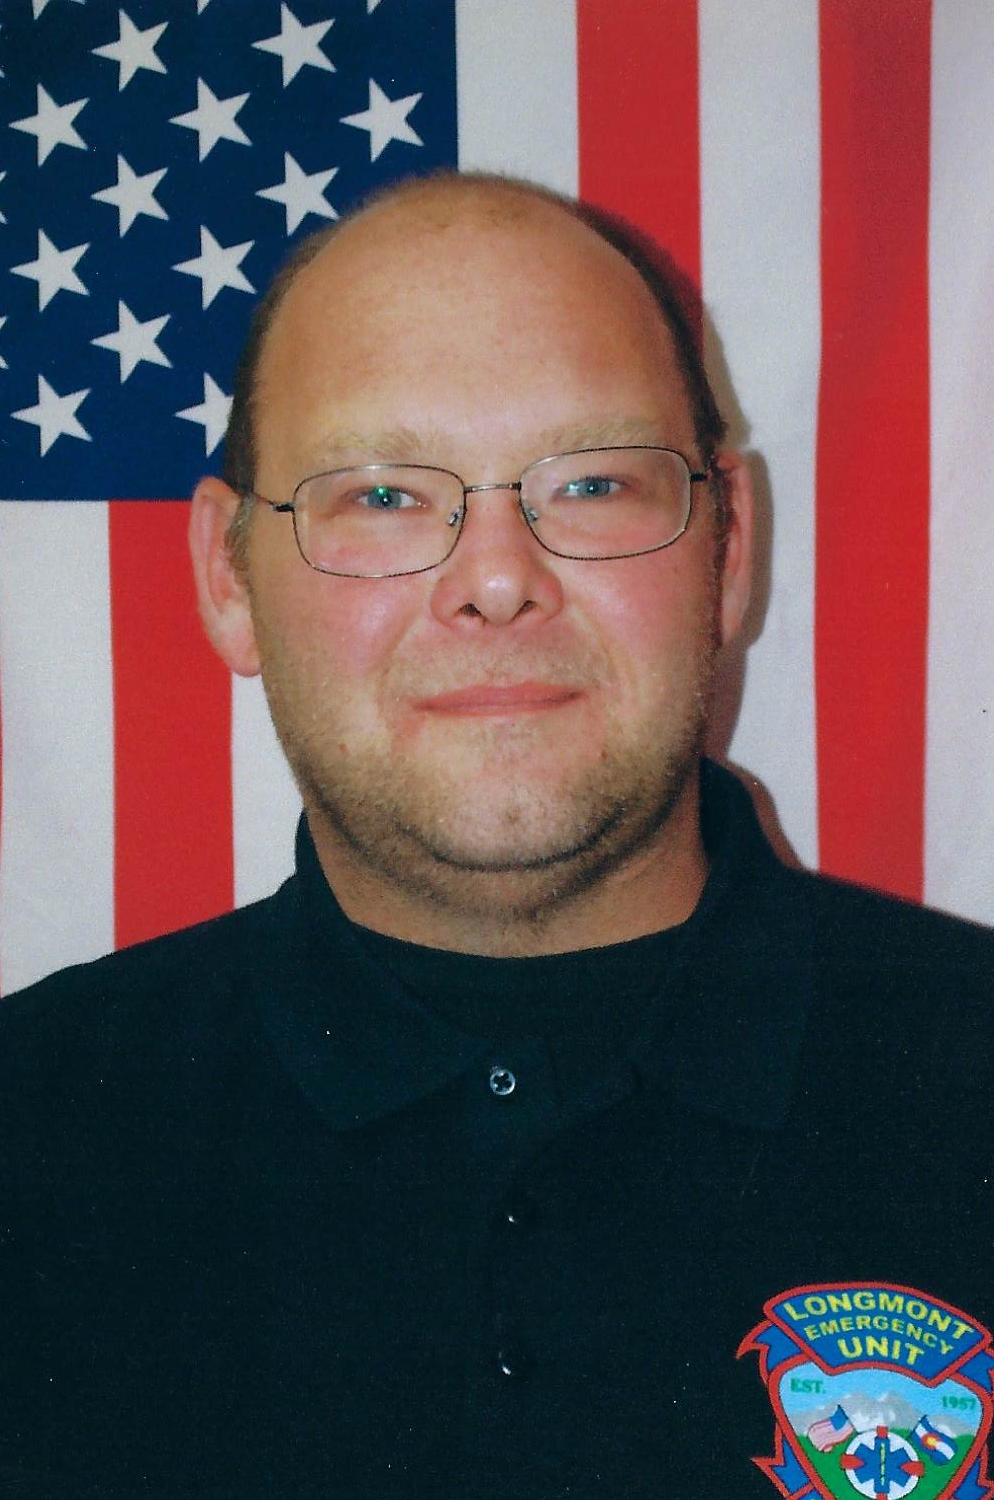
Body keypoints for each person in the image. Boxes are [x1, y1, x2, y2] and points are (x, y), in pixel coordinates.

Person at [1, 171, 992, 1500]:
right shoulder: (32, 1139)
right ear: (227, 577)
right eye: (381, 497)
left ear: (730, 550)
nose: (497, 580)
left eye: (591, 482)